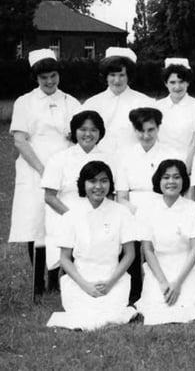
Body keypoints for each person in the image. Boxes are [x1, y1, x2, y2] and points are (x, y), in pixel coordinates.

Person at [9, 49, 80, 299]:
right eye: (43, 78)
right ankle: (38, 283)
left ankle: (56, 279)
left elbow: (81, 136)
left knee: (62, 223)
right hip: (34, 171)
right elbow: (20, 141)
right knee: (36, 224)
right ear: (35, 79)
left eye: (53, 76)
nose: (49, 82)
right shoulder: (24, 102)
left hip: (65, 171)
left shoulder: (71, 102)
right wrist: (43, 170)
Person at [46, 161, 138, 330]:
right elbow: (65, 259)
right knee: (83, 317)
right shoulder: (71, 214)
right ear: (83, 184)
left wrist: (110, 283)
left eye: (104, 181)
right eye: (92, 181)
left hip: (113, 278)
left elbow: (130, 254)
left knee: (111, 315)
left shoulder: (121, 212)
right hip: (80, 279)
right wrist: (85, 285)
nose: (98, 186)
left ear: (110, 184)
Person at [135, 159, 195, 325]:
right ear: (158, 180)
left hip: (187, 267)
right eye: (166, 177)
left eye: (176, 177)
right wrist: (162, 281)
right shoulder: (146, 210)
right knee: (156, 306)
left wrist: (178, 283)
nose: (171, 182)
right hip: (158, 267)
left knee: (188, 305)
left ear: (184, 181)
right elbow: (148, 250)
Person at [42, 111, 113, 272]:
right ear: (74, 131)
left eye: (93, 130)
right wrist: (74, 218)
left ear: (100, 133)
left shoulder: (109, 158)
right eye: (83, 129)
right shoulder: (59, 158)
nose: (88, 134)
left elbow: (110, 194)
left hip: (101, 213)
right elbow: (50, 197)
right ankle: (61, 273)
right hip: (65, 213)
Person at [82, 47, 154, 152]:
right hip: (100, 160)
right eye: (112, 75)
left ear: (129, 76)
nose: (117, 80)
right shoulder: (92, 104)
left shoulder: (145, 103)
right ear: (106, 76)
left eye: (122, 75)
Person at [116, 107, 181, 212]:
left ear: (158, 128)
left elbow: (180, 193)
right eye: (141, 131)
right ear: (134, 129)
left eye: (151, 130)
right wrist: (137, 212)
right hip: (133, 211)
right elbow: (122, 198)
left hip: (166, 209)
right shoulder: (125, 156)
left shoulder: (172, 155)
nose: (146, 136)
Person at [154, 58, 195, 171]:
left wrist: (186, 170)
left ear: (188, 82)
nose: (177, 87)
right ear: (165, 83)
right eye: (172, 82)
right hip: (160, 164)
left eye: (181, 81)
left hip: (189, 165)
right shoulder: (156, 107)